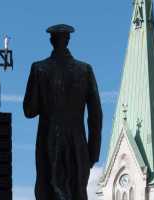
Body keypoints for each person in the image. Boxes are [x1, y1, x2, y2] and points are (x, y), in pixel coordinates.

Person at [23, 24, 103, 200]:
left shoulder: (39, 69)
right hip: (77, 144)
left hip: (49, 142)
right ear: (68, 41)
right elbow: (96, 116)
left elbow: (29, 110)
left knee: (48, 191)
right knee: (77, 193)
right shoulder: (85, 70)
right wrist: (93, 153)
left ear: (52, 41)